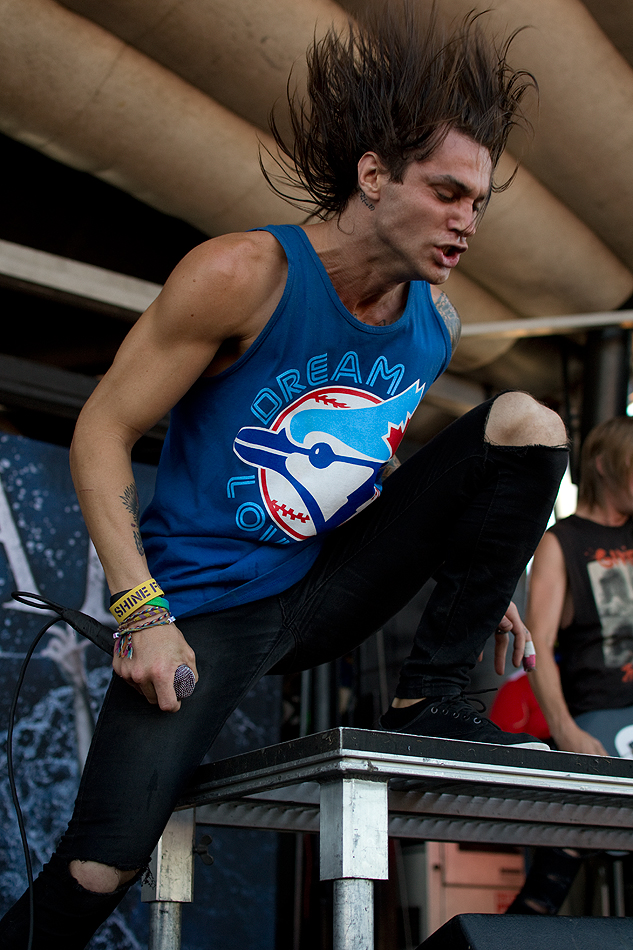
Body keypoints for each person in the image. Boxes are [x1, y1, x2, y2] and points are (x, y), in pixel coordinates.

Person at [0, 5, 568, 946]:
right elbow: (102, 429)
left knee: (524, 422)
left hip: (327, 585)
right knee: (100, 867)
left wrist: (476, 563)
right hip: (205, 605)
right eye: (446, 192)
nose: (466, 222)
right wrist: (140, 613)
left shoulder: (433, 326)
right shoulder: (242, 274)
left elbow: (370, 467)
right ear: (374, 176)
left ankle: (430, 700)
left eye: (478, 203)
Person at [506, 416, 633, 916]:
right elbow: (537, 644)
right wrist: (566, 731)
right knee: (552, 878)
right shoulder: (562, 542)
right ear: (604, 466)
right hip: (597, 718)